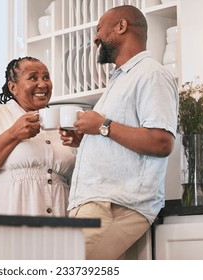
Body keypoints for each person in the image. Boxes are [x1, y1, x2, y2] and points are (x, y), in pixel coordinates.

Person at [60, 5, 179, 259]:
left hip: (116, 205)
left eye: (99, 29)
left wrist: (102, 126)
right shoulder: (120, 80)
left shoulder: (151, 74)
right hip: (100, 204)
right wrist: (87, 138)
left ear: (121, 26)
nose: (95, 38)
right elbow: (117, 136)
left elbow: (161, 142)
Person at [0, 57, 76, 216]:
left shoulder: (61, 124)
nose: (42, 84)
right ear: (13, 87)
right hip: (8, 218)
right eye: (33, 78)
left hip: (58, 220)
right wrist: (13, 134)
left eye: (46, 77)